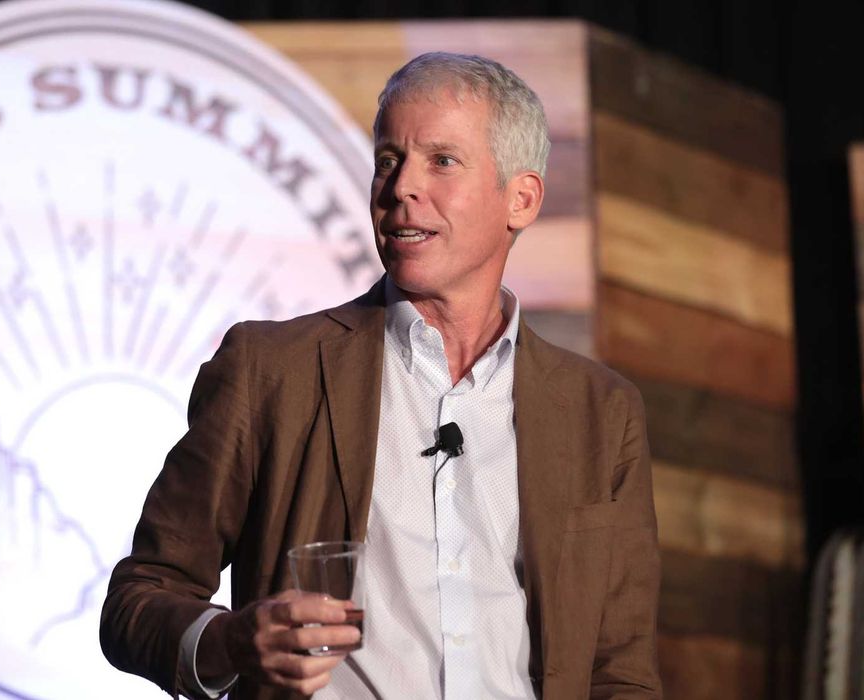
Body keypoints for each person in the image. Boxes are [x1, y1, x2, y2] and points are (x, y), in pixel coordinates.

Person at [101, 52, 661, 699]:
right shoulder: (271, 370)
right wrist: (229, 641)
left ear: (521, 198)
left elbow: (621, 671)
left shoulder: (599, 410)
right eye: (388, 161)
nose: (400, 188)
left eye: (441, 161)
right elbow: (138, 598)